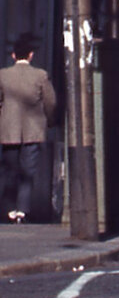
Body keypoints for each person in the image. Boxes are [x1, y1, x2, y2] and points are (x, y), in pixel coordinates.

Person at [0, 37, 59, 224]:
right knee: (28, 171)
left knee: (10, 170)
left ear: (13, 55)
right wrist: (50, 121)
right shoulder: (40, 75)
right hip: (33, 130)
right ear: (31, 56)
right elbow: (51, 102)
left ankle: (9, 209)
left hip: (8, 130)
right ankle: (22, 211)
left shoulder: (3, 75)